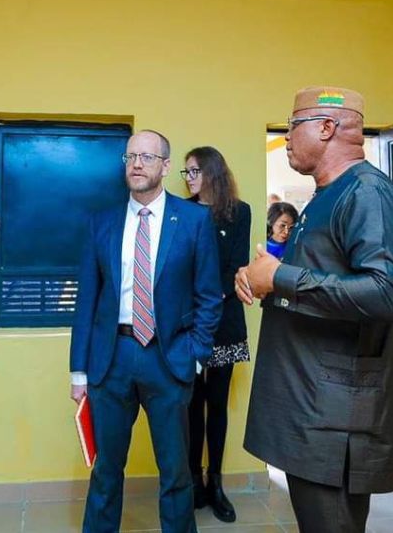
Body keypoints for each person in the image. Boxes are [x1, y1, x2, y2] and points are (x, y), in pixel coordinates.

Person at [235, 86, 393, 533]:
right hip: (309, 404)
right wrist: (263, 279)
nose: (287, 137)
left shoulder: (369, 194)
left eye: (293, 126)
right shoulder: (326, 196)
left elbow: (385, 293)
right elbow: (319, 282)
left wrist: (280, 277)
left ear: (327, 128)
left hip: (334, 415)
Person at [70, 129, 224, 533]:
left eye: (147, 157)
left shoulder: (193, 220)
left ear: (166, 166)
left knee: (175, 472)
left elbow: (210, 296)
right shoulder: (101, 222)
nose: (137, 164)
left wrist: (195, 354)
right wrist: (78, 371)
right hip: (111, 359)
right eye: (131, 157)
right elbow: (86, 301)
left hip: (168, 357)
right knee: (106, 470)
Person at [179, 146, 252, 523]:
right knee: (191, 403)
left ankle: (216, 483)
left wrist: (208, 299)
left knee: (217, 404)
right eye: (186, 172)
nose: (189, 178)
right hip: (189, 322)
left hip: (224, 320)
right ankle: (194, 480)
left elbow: (237, 267)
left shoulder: (240, 212)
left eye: (194, 171)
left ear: (212, 171)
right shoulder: (181, 211)